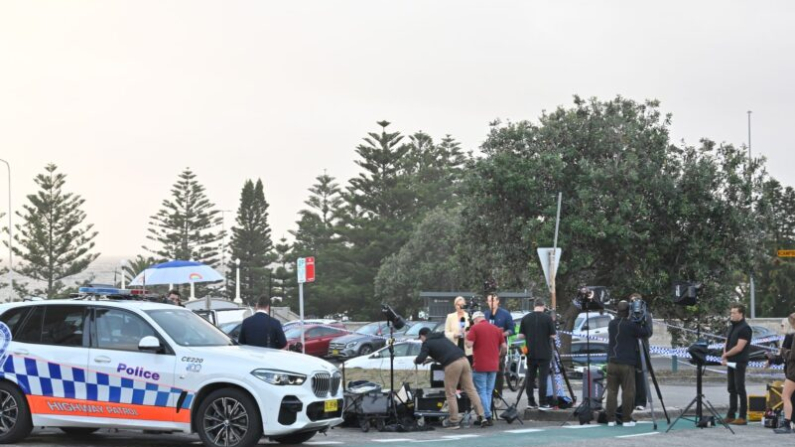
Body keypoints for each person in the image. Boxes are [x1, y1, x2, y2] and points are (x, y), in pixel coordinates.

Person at [415, 327, 486, 429]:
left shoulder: (427, 343)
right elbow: (444, 352)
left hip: (452, 364)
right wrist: (431, 360)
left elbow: (420, 358)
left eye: (420, 338)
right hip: (464, 360)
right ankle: (482, 416)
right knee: (471, 390)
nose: (421, 340)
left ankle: (454, 421)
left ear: (423, 335)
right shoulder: (441, 337)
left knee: (450, 393)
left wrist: (416, 360)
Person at [605, 300, 651, 427]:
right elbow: (646, 332)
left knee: (612, 392)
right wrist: (644, 318)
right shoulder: (631, 325)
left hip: (612, 362)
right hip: (626, 363)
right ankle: (626, 419)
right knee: (628, 391)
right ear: (629, 311)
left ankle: (611, 419)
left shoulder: (611, 324)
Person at [466, 311, 507, 426]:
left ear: (475, 320)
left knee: (481, 391)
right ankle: (486, 415)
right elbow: (504, 346)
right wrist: (499, 355)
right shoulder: (496, 329)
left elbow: (469, 344)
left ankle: (487, 416)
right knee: (489, 391)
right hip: (494, 364)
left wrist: (466, 335)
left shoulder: (475, 328)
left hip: (480, 364)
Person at [517, 299, 556, 410]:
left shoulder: (526, 318)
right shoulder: (548, 318)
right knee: (542, 378)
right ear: (543, 306)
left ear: (534, 306)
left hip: (530, 352)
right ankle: (543, 403)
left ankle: (531, 401)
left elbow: (521, 336)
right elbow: (553, 335)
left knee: (530, 377)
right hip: (544, 352)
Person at [721, 303, 752, 426]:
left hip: (739, 362)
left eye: (734, 313)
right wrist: (725, 354)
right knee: (731, 388)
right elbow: (727, 341)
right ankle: (731, 414)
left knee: (740, 388)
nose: (731, 315)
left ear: (741, 314)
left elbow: (739, 348)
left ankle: (743, 416)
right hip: (730, 361)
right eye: (731, 313)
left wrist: (725, 355)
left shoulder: (745, 328)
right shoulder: (732, 326)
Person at [484, 293, 514, 397]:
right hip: (486, 347)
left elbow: (512, 330)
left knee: (498, 370)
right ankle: (488, 394)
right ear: (487, 302)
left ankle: (498, 396)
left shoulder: (505, 314)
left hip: (500, 347)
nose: (491, 303)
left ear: (497, 301)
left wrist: (502, 334)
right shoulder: (485, 315)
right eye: (489, 301)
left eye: (493, 300)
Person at [771, 313, 795, 434]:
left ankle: (787, 424)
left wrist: (784, 351)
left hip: (793, 372)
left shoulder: (792, 336)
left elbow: (792, 356)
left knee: (785, 396)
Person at [628, 293, 653, 411]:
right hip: (631, 348)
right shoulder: (628, 316)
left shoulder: (647, 316)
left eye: (637, 300)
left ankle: (641, 402)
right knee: (630, 376)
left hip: (642, 348)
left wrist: (640, 325)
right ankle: (631, 400)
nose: (635, 303)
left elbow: (648, 332)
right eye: (632, 301)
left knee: (642, 376)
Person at [445, 296, 472, 361]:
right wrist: (454, 335)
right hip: (455, 346)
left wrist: (467, 333)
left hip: (467, 347)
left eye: (462, 305)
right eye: (458, 305)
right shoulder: (450, 317)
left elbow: (474, 331)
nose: (460, 307)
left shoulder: (469, 316)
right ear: (455, 306)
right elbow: (446, 333)